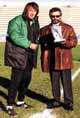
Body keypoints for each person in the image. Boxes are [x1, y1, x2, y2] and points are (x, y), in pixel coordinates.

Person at [4, 2, 40, 116]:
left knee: (26, 80)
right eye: (30, 10)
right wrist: (29, 44)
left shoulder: (35, 22)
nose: (32, 13)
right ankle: (9, 106)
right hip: (18, 55)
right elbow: (14, 35)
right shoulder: (17, 20)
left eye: (34, 11)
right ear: (26, 10)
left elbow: (36, 36)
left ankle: (20, 101)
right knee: (15, 81)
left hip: (30, 56)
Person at [39, 7, 77, 111]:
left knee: (66, 82)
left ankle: (69, 102)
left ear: (60, 16)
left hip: (65, 58)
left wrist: (65, 43)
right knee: (54, 82)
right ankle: (56, 100)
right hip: (52, 59)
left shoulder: (68, 28)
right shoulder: (44, 29)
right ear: (49, 16)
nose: (55, 18)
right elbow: (42, 44)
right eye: (53, 16)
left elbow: (74, 41)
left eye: (57, 16)